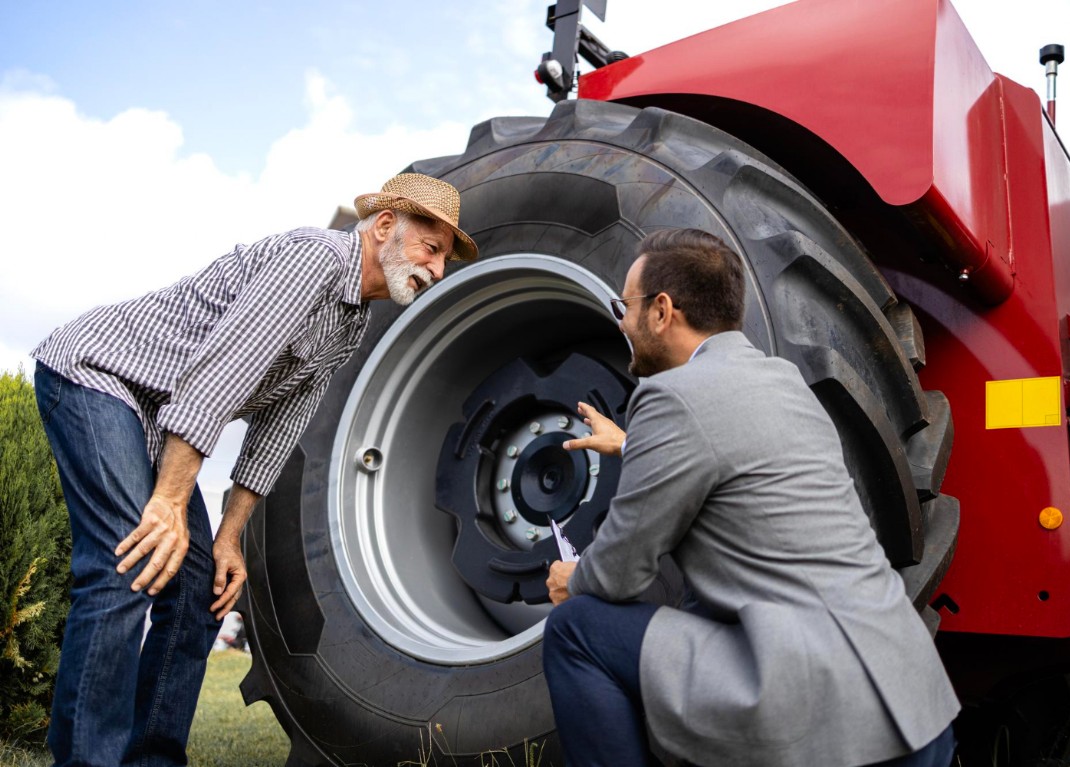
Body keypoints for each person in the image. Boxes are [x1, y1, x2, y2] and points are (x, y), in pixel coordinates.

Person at [32, 173, 477, 767]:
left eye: (444, 257)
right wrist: (167, 502)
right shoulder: (312, 259)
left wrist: (228, 538)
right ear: (386, 226)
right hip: (99, 378)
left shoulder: (350, 319)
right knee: (130, 564)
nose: (437, 268)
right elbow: (219, 377)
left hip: (158, 414)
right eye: (431, 247)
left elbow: (279, 429)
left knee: (197, 588)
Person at [543, 228, 959, 767]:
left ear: (662, 310)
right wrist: (631, 446)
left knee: (576, 629)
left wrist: (571, 578)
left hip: (821, 715)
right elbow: (739, 465)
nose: (621, 321)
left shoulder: (667, 396)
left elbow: (620, 572)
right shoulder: (782, 382)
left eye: (627, 305)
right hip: (914, 701)